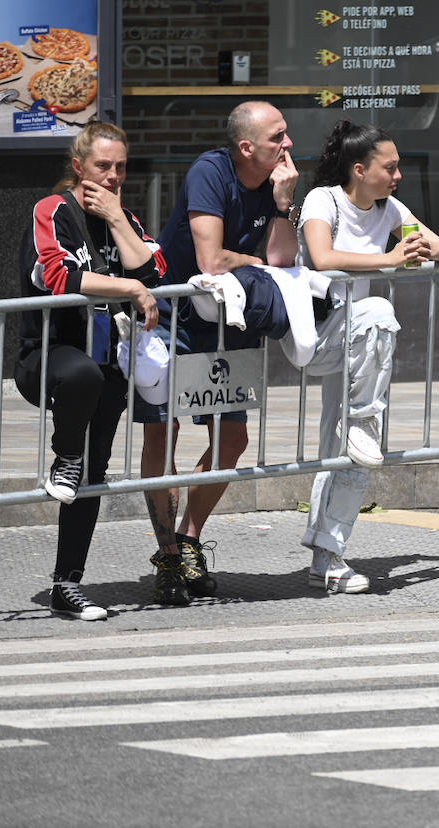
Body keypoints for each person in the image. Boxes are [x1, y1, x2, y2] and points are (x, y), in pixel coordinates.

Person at [134, 101, 300, 605]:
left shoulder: (279, 184)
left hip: (230, 321)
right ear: (247, 147)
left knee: (232, 441)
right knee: (164, 437)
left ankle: (187, 541)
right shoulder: (211, 170)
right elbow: (210, 260)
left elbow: (284, 259)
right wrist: (256, 263)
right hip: (176, 318)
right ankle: (167, 558)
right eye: (278, 137)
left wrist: (282, 206)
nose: (288, 144)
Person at [297, 120, 439, 591]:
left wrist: (426, 246)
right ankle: (365, 420)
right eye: (390, 167)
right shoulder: (322, 200)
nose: (398, 175)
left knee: (350, 449)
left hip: (361, 345)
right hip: (318, 334)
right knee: (379, 309)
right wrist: (390, 259)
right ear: (360, 169)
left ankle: (329, 554)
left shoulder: (389, 207)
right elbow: (322, 257)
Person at [17, 122, 163, 621]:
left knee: (93, 473)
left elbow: (154, 274)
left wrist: (120, 222)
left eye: (121, 166)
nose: (114, 175)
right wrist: (128, 290)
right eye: (104, 165)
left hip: (109, 360)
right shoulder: (52, 210)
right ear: (79, 166)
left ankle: (67, 584)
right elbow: (56, 276)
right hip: (50, 355)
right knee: (83, 379)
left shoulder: (124, 217)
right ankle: (63, 456)